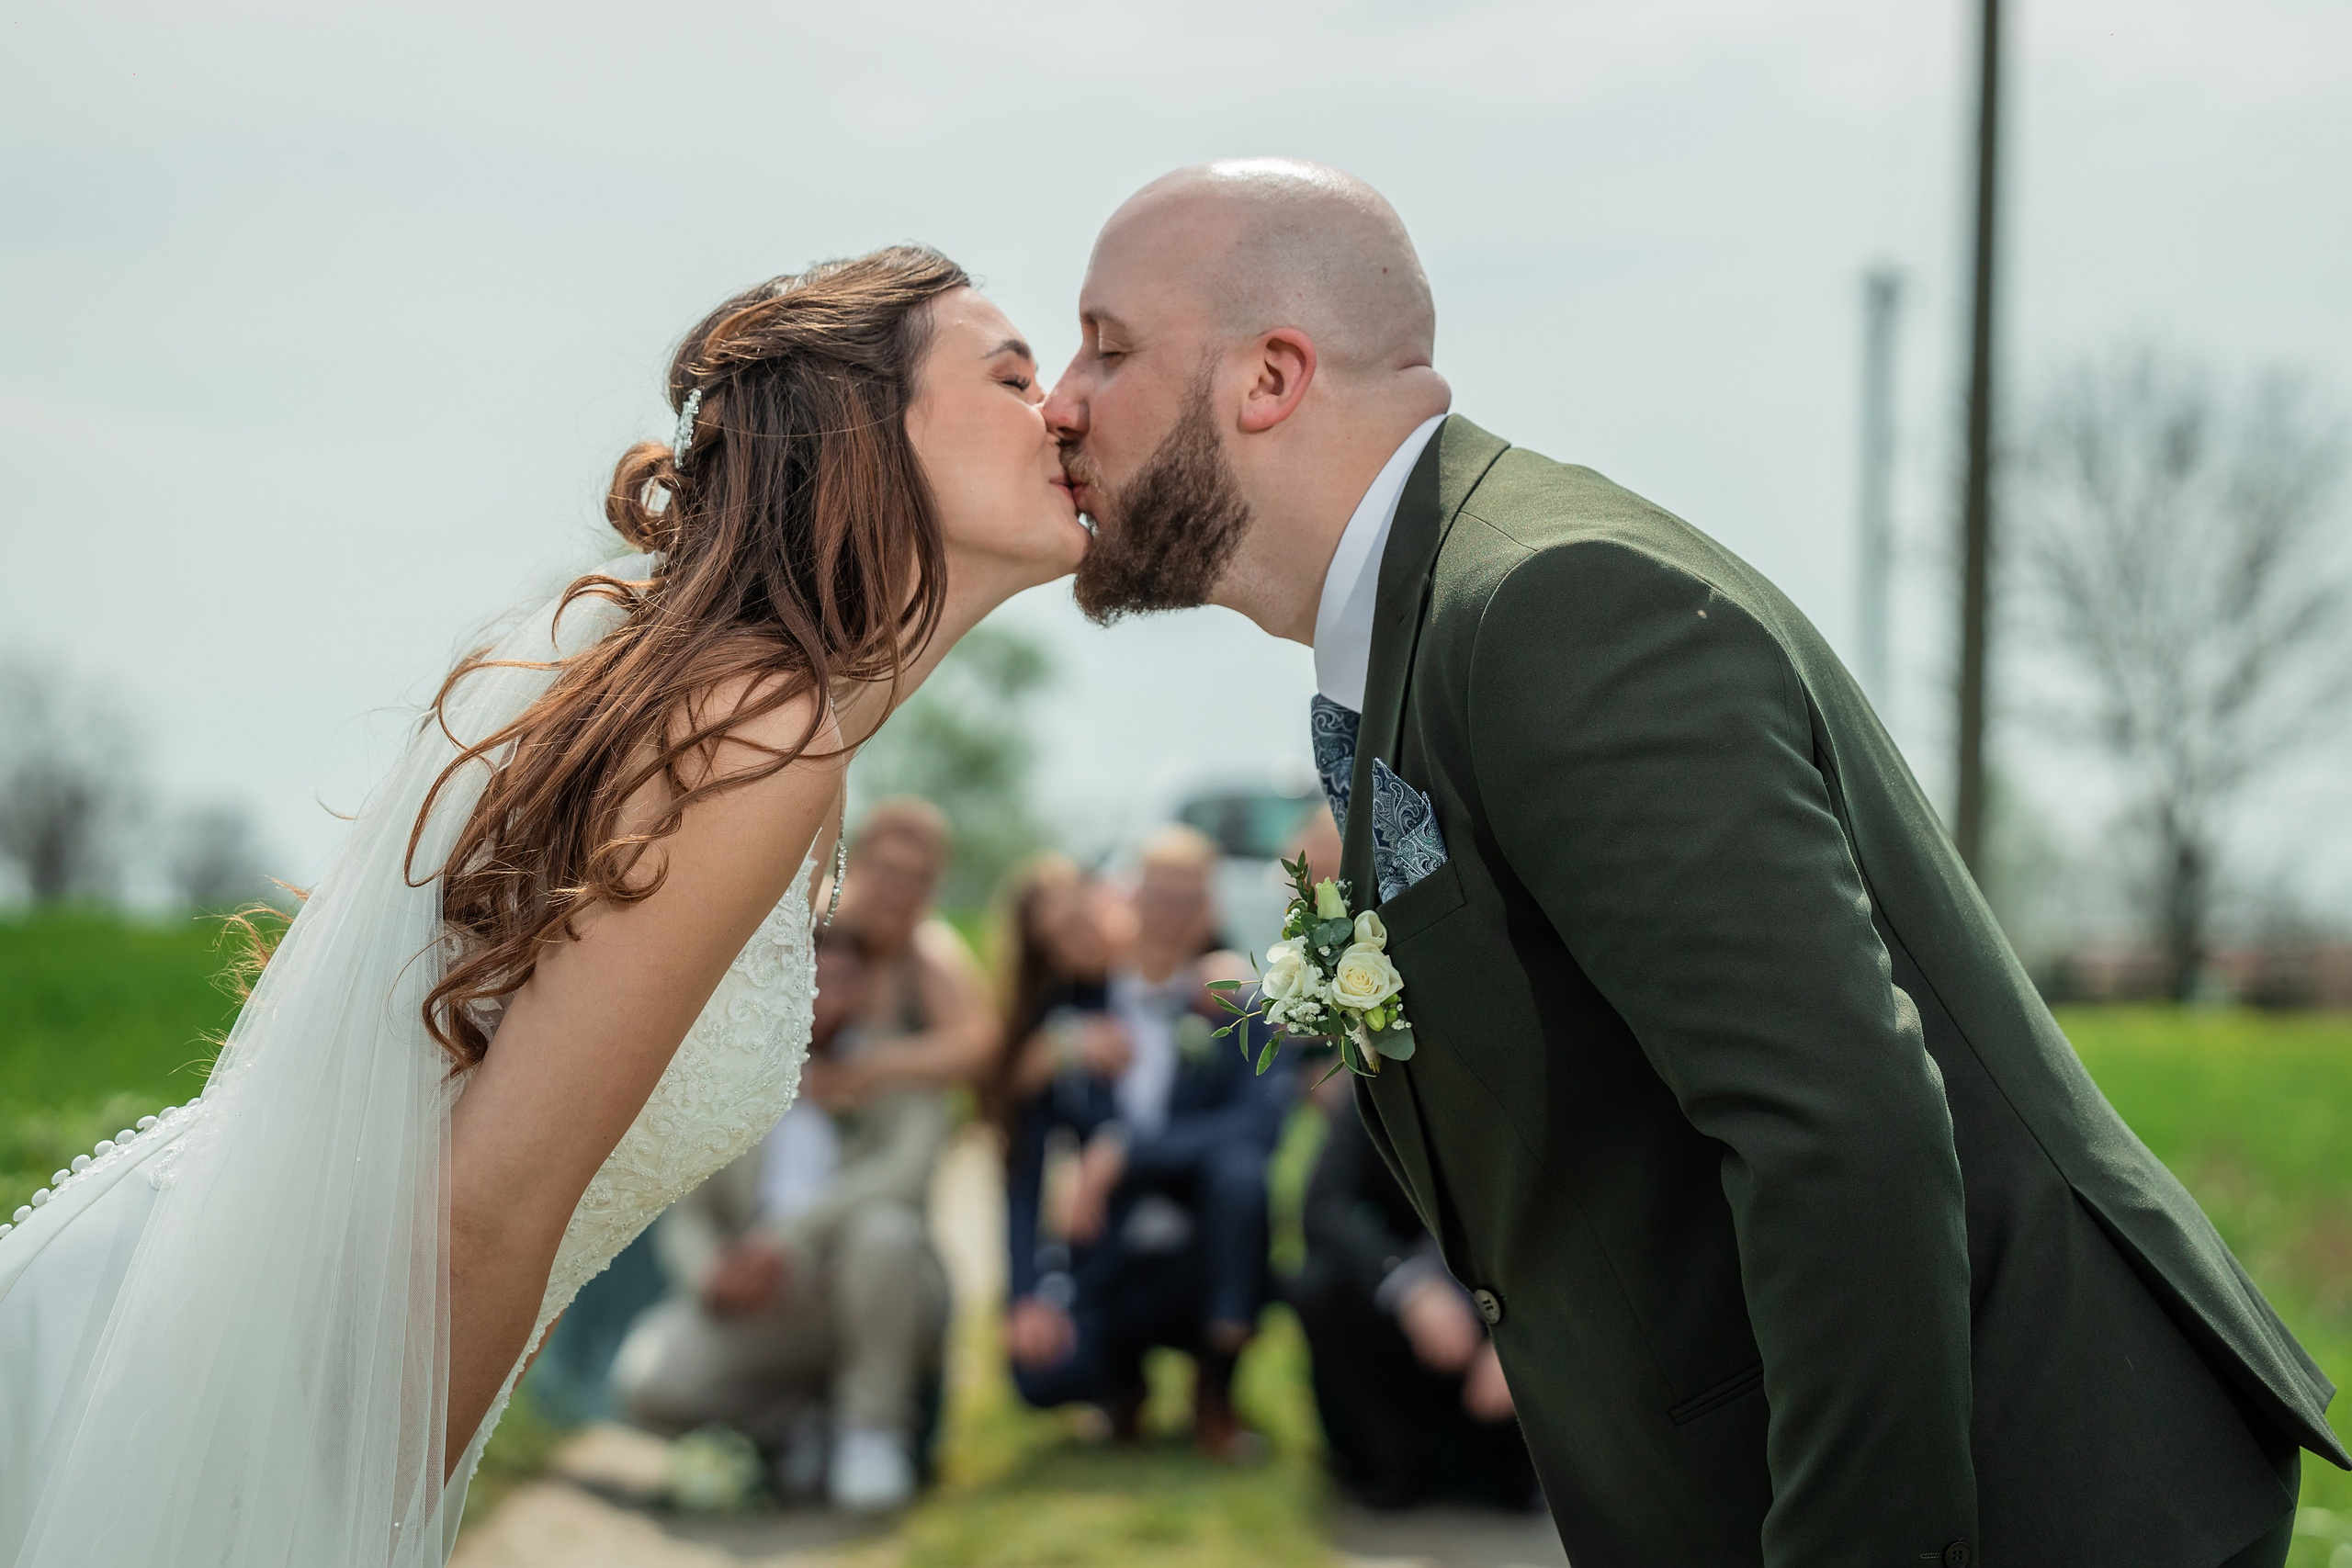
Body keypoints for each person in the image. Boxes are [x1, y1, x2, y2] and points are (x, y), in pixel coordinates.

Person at [1042, 160, 2345, 1568]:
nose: (1061, 398)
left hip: (2036, 1492)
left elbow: (1840, 1128)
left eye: (1108, 348)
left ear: (1271, 375)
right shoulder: (1429, 627)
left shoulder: (1551, 605)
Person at [0, 245, 1090, 1563]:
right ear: (867, 436)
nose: (1066, 409)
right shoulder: (763, 721)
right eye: (1016, 374)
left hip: (278, 1341)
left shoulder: (774, 720)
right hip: (238, 1371)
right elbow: (479, 1215)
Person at [615, 924, 951, 1512]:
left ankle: (872, 1427)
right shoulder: (734, 1073)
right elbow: (687, 1209)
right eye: (814, 976)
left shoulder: (902, 1064)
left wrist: (787, 1238)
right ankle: (801, 1424)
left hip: (882, 1288)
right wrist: (711, 1272)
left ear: (869, 987)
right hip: (770, 1295)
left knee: (884, 1232)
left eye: (845, 980)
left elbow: (905, 1177)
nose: (828, 994)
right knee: (648, 1381)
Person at [998, 829, 1290, 1456]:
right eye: (1158, 897)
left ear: (1211, 909)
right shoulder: (1075, 1009)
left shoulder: (1237, 999)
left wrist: (1125, 1147)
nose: (1171, 916)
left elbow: (1258, 1127)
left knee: (1241, 1175)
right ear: (1126, 898)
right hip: (1105, 1247)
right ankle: (1119, 1385)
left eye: (1189, 900)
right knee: (1040, 1373)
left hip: (1203, 1242)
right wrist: (1024, 1294)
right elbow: (1026, 1162)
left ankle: (1217, 1393)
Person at [1291, 1069, 1537, 1512]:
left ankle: (1518, 1471)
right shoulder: (1383, 1080)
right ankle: (1386, 1463)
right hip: (1414, 1297)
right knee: (1318, 1283)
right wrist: (1410, 1285)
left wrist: (1529, 1337)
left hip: (1513, 1303)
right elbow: (1326, 1206)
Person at [802, 795, 998, 1114]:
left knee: (921, 1106)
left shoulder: (926, 947)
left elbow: (977, 1042)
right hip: (779, 1086)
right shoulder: (813, 913)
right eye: (888, 870)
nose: (899, 890)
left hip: (862, 1104)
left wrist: (872, 1066)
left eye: (917, 877)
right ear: (856, 865)